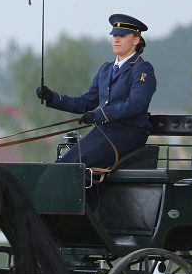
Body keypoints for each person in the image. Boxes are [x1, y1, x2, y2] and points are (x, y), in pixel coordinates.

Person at [36, 13, 157, 172]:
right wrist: (53, 97)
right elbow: (85, 103)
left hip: (128, 133)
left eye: (122, 36)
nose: (116, 39)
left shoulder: (142, 69)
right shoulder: (106, 69)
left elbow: (136, 104)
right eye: (114, 35)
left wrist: (99, 115)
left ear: (136, 40)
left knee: (76, 166)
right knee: (63, 164)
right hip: (103, 132)